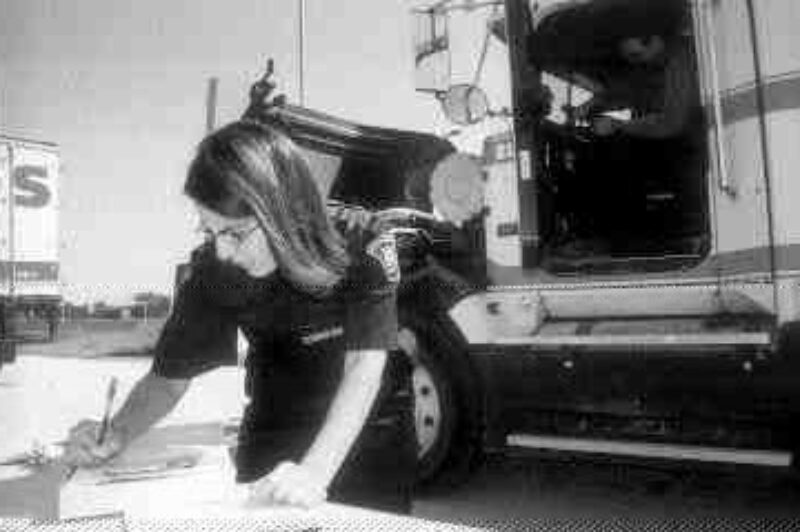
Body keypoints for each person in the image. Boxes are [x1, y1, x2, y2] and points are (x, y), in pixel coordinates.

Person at [63, 120, 416, 513]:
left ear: (281, 211)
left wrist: (313, 473)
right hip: (275, 424)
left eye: (233, 232)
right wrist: (117, 432)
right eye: (210, 231)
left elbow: (364, 366)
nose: (224, 252)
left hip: (369, 430)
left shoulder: (360, 242)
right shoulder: (214, 271)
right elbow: (167, 381)